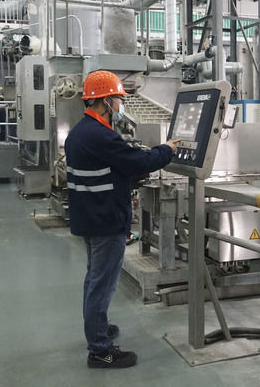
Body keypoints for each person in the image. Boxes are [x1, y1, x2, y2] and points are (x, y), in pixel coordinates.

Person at [65, 70, 179, 368]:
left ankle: (98, 329)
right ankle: (100, 350)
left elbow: (107, 169)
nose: (121, 104)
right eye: (118, 98)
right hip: (105, 221)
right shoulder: (100, 135)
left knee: (94, 279)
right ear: (105, 100)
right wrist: (167, 150)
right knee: (101, 285)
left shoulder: (81, 131)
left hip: (90, 217)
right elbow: (139, 161)